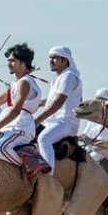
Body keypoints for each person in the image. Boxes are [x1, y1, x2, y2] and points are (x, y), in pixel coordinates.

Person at [0, 43, 43, 167]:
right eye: (8, 61)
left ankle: (32, 165)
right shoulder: (15, 85)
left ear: (23, 63)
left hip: (20, 127)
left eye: (12, 61)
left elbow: (16, 111)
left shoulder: (24, 83)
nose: (8, 64)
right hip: (11, 127)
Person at [34, 46, 83, 174]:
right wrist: (39, 103)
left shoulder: (68, 77)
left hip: (65, 122)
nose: (51, 61)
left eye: (55, 58)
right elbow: (53, 100)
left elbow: (58, 103)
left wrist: (37, 120)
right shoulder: (59, 78)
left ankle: (48, 174)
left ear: (65, 60)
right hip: (54, 121)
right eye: (50, 58)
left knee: (44, 139)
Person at [78, 88, 108, 161]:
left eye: (101, 100)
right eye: (97, 99)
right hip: (87, 150)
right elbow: (85, 135)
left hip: (102, 154)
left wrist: (92, 141)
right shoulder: (92, 119)